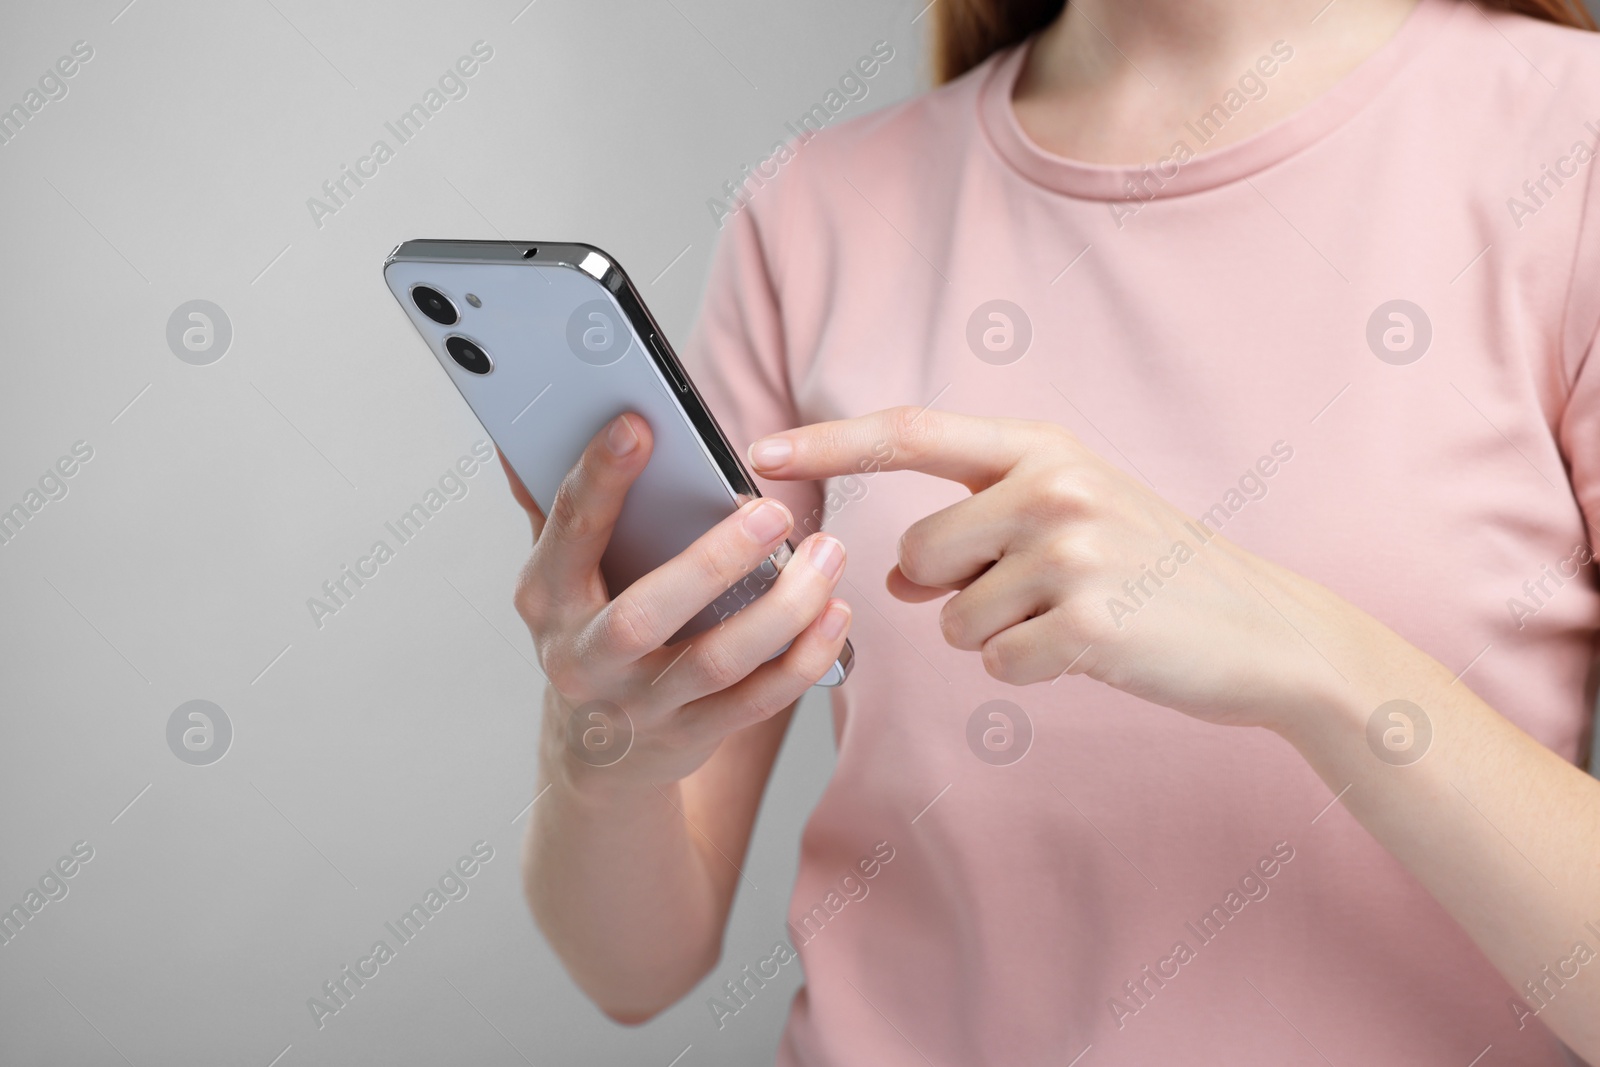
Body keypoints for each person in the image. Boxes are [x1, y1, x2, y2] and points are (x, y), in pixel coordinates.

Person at [508, 0, 1600, 1061]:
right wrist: (600, 755)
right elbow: (633, 968)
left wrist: (1307, 657)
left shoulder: (1568, 140)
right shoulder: (812, 208)